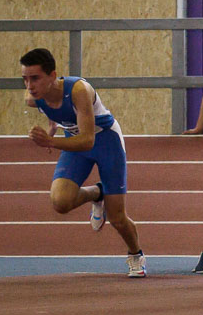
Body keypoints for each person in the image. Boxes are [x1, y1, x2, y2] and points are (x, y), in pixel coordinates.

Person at [20, 48, 146, 278]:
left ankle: (135, 254)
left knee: (117, 217)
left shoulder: (78, 90)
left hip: (105, 140)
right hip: (74, 139)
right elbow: (49, 106)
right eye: (25, 79)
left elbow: (88, 140)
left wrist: (50, 140)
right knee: (60, 201)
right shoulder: (33, 96)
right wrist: (53, 125)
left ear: (53, 75)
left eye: (35, 78)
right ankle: (97, 194)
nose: (29, 86)